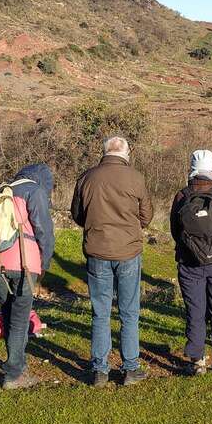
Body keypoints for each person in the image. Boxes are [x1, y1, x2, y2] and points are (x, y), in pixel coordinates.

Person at [71, 136, 154, 387]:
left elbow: (77, 214)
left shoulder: (87, 178)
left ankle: (100, 370)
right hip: (128, 252)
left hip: (97, 251)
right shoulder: (136, 178)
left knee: (101, 312)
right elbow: (147, 216)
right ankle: (130, 368)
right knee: (129, 312)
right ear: (126, 154)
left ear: (104, 152)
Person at [0, 163, 55, 390]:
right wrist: (44, 263)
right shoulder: (34, 192)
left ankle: (17, 365)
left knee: (8, 315)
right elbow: (43, 231)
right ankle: (14, 374)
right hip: (24, 264)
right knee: (20, 319)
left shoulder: (1, 191)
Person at [170, 150, 212, 375]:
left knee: (195, 311)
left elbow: (175, 231)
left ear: (192, 168)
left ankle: (198, 359)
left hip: (189, 263)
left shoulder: (181, 195)